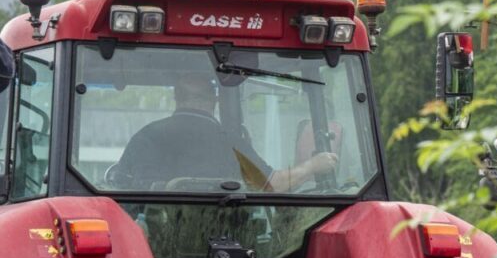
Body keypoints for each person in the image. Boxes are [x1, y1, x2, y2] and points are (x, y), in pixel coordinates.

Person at [116, 73, 337, 191]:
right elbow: (271, 185)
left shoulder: (146, 136)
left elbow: (119, 184)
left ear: (178, 98)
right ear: (214, 99)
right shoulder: (229, 142)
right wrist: (314, 166)